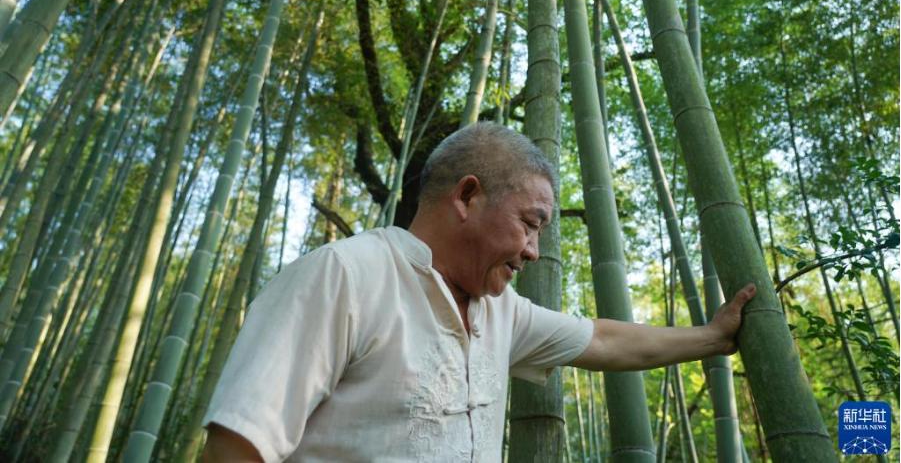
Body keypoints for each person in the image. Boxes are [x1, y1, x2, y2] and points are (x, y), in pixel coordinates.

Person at [202, 123, 756, 462]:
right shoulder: (344, 275)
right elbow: (237, 449)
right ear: (468, 197)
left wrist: (713, 337)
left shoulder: (502, 312)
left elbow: (604, 340)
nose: (533, 251)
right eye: (530, 224)